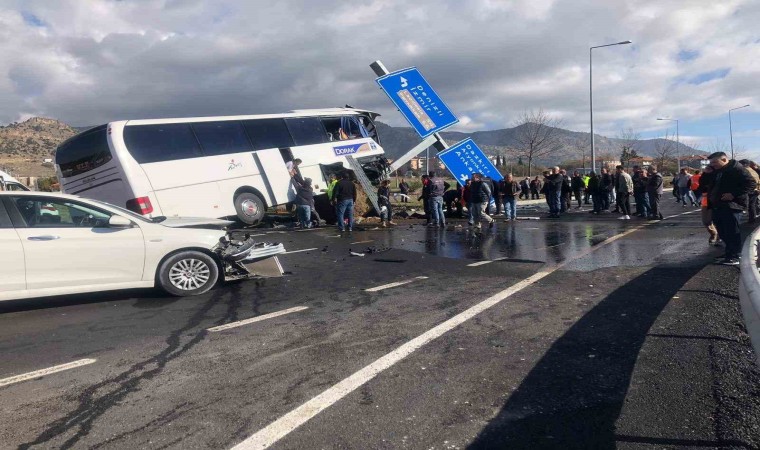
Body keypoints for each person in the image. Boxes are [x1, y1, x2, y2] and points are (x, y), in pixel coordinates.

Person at [706, 152, 756, 265]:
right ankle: (729, 253)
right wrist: (707, 174)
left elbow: (751, 183)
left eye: (714, 162)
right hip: (718, 205)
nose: (712, 164)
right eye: (711, 162)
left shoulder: (737, 169)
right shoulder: (717, 171)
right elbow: (706, 184)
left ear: (724, 159)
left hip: (732, 205)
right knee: (723, 232)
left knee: (732, 231)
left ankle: (735, 256)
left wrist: (733, 194)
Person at [697, 166, 719, 244]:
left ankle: (718, 237)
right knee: (706, 221)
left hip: (716, 201)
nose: (706, 170)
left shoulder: (717, 176)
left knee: (717, 220)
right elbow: (700, 188)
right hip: (705, 202)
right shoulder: (702, 177)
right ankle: (713, 233)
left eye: (709, 169)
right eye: (706, 169)